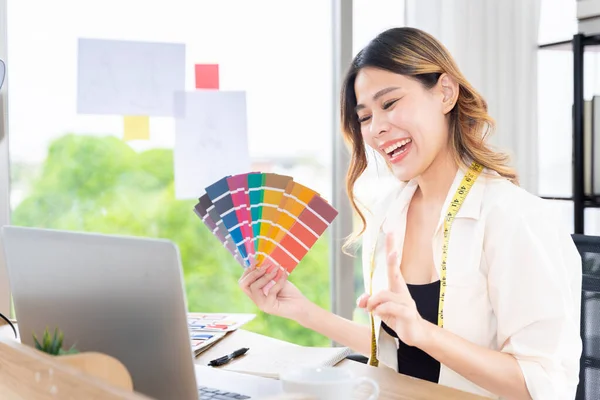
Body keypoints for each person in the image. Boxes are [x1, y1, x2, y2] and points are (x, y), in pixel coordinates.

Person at [238, 27, 582, 400]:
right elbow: (397, 350)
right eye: (365, 116)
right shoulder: (389, 213)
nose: (377, 128)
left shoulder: (516, 219)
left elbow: (545, 385)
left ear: (445, 93)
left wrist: (423, 333)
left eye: (389, 103)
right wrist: (302, 310)